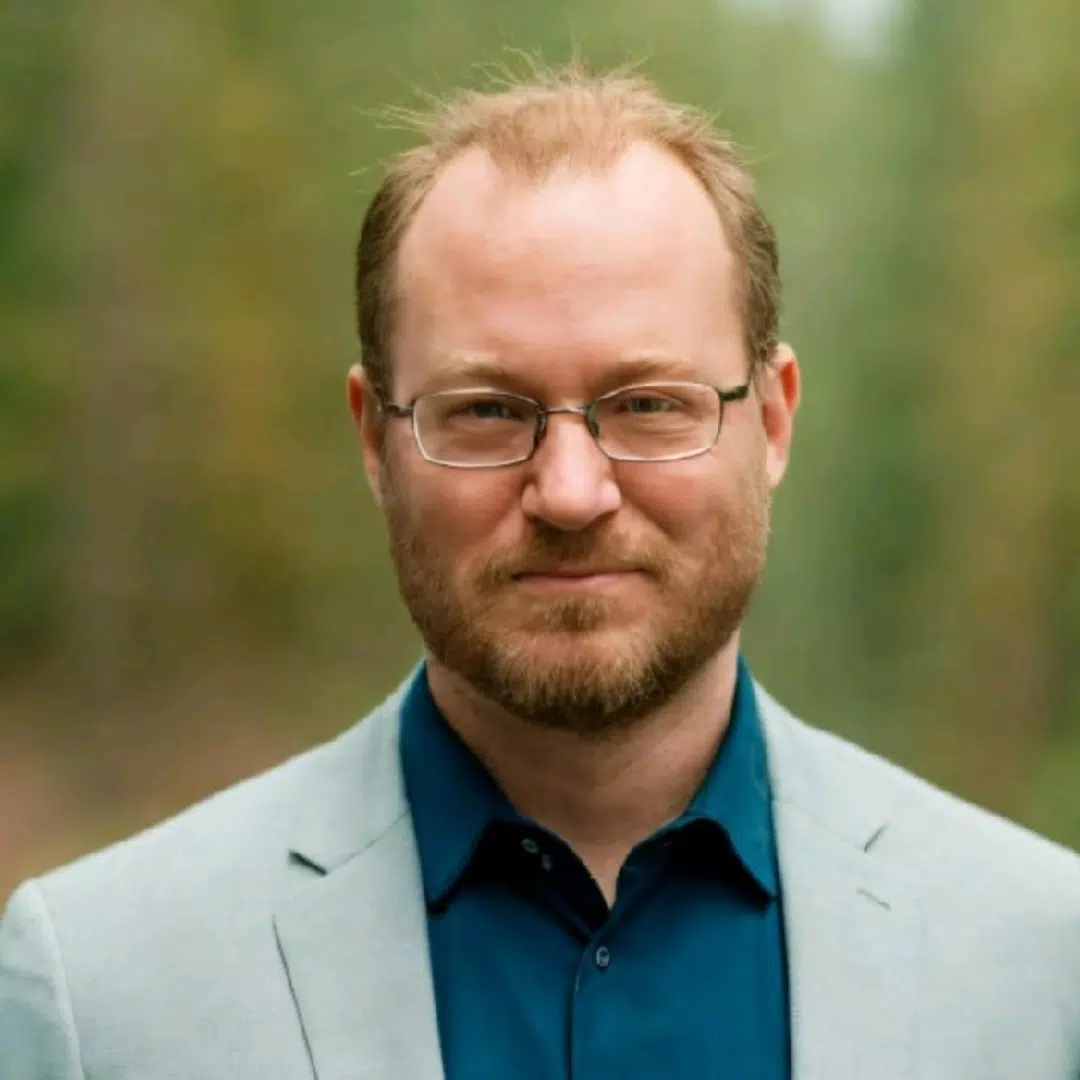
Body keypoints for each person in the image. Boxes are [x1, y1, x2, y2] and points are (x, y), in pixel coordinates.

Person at [2, 62, 1078, 1080]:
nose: (571, 491)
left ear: (777, 419)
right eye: (485, 412)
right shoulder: (99, 990)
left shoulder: (1045, 967)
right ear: (375, 440)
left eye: (650, 405)